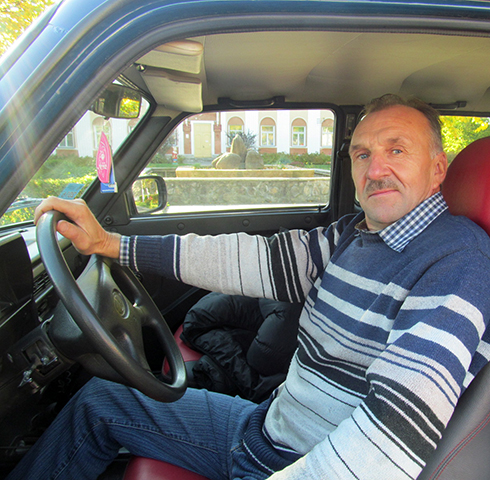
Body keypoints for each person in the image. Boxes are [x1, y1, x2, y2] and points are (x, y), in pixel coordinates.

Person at [7, 94, 490, 480]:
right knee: (100, 400)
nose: (375, 169)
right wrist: (111, 244)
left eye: (396, 150)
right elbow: (247, 259)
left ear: (438, 168)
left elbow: (393, 431)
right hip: (264, 429)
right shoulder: (352, 236)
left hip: (301, 464)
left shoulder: (458, 262)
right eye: (362, 154)